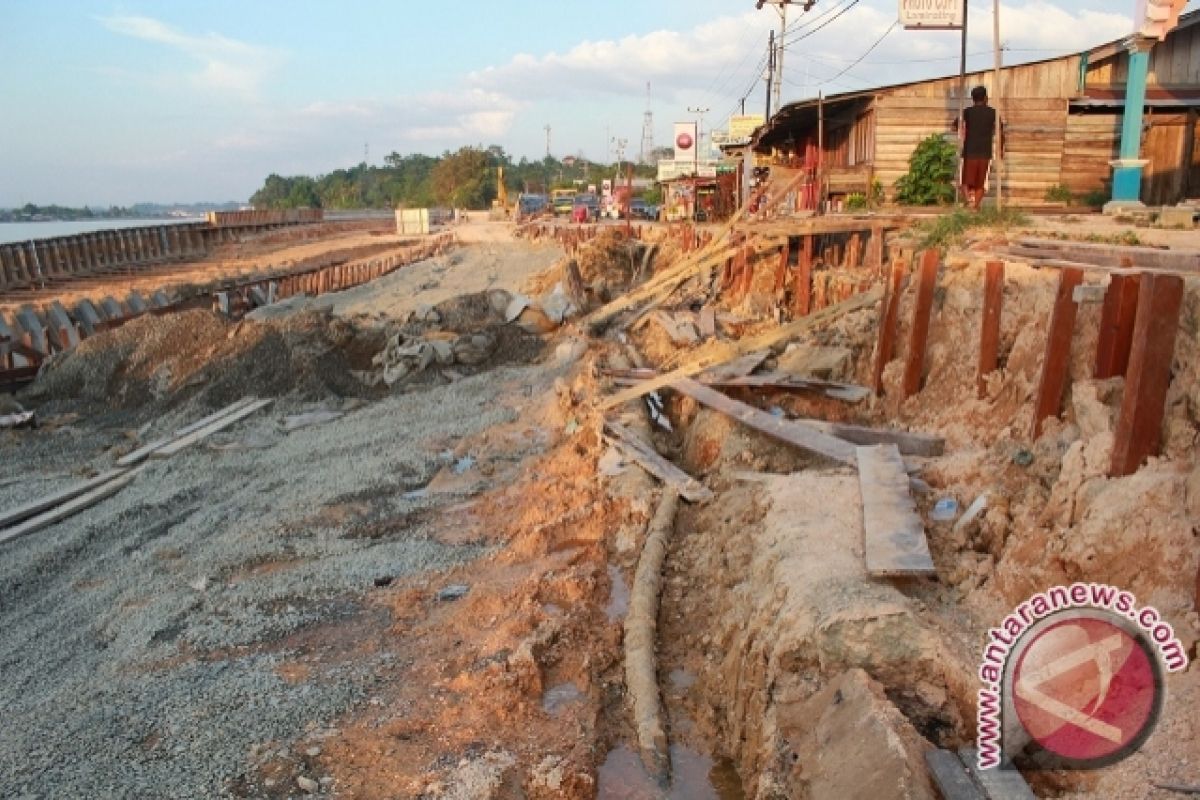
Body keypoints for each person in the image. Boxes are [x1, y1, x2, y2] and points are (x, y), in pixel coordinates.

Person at [960, 85, 997, 211]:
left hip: (969, 152)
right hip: (985, 153)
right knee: (980, 182)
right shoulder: (993, 113)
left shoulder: (967, 112)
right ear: (986, 98)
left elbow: (955, 126)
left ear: (973, 99)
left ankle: (969, 203)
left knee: (966, 181)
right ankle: (975, 206)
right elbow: (999, 129)